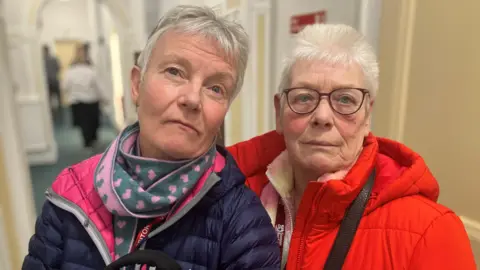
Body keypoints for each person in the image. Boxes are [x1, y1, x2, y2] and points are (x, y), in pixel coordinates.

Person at [22, 6, 280, 270]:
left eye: (216, 88)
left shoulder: (244, 225)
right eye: (175, 71)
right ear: (136, 85)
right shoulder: (70, 194)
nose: (192, 99)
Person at [239, 24, 477, 269]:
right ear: (279, 112)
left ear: (367, 116)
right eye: (304, 97)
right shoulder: (234, 197)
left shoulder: (432, 233)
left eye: (345, 99)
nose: (322, 116)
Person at [63, 44, 107, 150]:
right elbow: (98, 86)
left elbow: (65, 87)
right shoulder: (91, 71)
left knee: (83, 124)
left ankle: (87, 142)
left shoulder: (69, 72)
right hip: (92, 100)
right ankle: (93, 140)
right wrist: (104, 98)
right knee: (93, 122)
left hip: (77, 101)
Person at [42, 45, 61, 123]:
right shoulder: (54, 59)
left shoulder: (42, 60)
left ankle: (52, 115)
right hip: (55, 81)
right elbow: (58, 68)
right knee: (57, 98)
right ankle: (59, 113)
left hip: (48, 82)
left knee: (49, 99)